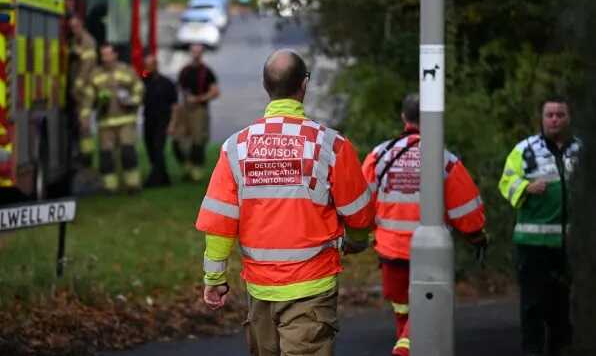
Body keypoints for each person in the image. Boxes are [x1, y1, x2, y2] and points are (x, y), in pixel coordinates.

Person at [195, 49, 375, 356]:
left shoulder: (235, 148)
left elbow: (220, 221)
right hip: (312, 287)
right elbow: (359, 213)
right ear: (304, 84)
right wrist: (356, 241)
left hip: (260, 291)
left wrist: (215, 278)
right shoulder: (330, 145)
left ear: (266, 86)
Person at [361, 93, 487, 356]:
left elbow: (361, 205)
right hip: (429, 255)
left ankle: (404, 346)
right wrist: (476, 236)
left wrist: (363, 236)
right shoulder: (443, 158)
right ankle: (404, 351)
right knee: (425, 313)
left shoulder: (379, 155)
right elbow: (466, 209)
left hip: (390, 251)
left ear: (403, 117)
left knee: (403, 312)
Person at [499, 96, 580, 356]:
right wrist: (525, 187)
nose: (555, 119)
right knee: (532, 307)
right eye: (550, 115)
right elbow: (505, 182)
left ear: (569, 118)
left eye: (560, 114)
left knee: (563, 308)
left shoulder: (582, 150)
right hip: (532, 245)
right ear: (542, 119)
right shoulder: (525, 149)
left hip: (569, 246)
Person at [82, 43, 144, 193]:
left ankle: (133, 185)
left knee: (128, 153)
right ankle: (110, 187)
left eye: (108, 54)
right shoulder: (96, 74)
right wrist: (85, 116)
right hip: (105, 122)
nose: (105, 58)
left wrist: (131, 101)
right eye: (103, 55)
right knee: (106, 157)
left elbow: (139, 88)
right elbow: (88, 97)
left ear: (115, 55)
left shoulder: (126, 71)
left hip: (126, 121)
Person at [174, 44, 219, 181]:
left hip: (199, 110)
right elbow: (179, 89)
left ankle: (196, 171)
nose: (196, 54)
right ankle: (186, 166)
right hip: (184, 109)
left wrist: (199, 99)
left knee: (198, 141)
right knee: (178, 140)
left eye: (198, 52)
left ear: (202, 54)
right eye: (194, 52)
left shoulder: (207, 72)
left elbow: (215, 92)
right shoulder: (184, 71)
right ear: (190, 53)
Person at [142, 54, 178, 187]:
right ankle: (164, 178)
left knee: (158, 149)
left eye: (149, 64)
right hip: (148, 121)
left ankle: (153, 180)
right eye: (146, 65)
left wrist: (172, 124)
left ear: (156, 65)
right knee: (150, 149)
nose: (147, 67)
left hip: (163, 121)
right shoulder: (144, 81)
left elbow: (175, 106)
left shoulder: (167, 83)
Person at [68, 16, 97, 173]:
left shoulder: (88, 41)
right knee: (79, 123)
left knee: (84, 123)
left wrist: (78, 84)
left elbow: (87, 66)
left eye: (76, 26)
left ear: (82, 25)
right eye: (72, 27)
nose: (74, 30)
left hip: (85, 90)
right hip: (78, 90)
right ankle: (82, 153)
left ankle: (87, 157)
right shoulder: (75, 41)